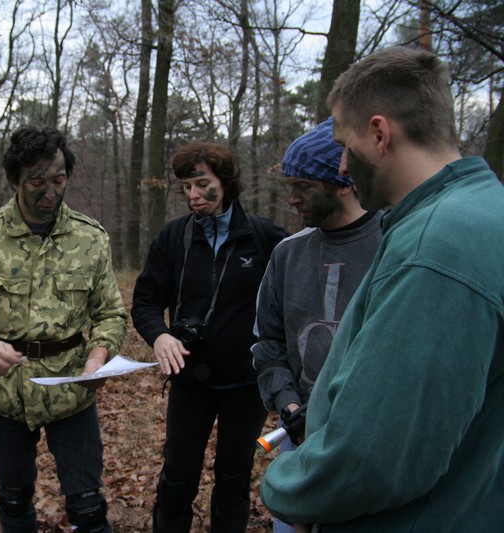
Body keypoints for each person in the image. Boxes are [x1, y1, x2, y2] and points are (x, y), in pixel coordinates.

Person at [260, 46, 504, 531]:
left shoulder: (437, 245)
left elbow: (374, 453)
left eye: (344, 144)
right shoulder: (483, 207)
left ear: (378, 133)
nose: (342, 167)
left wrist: (290, 488)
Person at [0, 125, 127, 532]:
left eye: (58, 179)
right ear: (14, 181)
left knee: (88, 507)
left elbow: (110, 313)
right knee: (14, 499)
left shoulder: (90, 238)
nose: (50, 192)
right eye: (37, 181)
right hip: (5, 395)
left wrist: (98, 358)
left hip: (72, 393)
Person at [131, 142, 288, 532]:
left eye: (202, 184)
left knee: (234, 478)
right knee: (177, 478)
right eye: (187, 187)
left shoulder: (265, 237)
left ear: (226, 182)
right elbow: (145, 302)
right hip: (190, 383)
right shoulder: (173, 237)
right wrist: (160, 336)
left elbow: (291, 306)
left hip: (246, 385)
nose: (193, 195)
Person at [251, 118, 382, 533]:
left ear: (342, 182)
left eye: (302, 187)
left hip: (372, 440)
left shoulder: (394, 243)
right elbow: (268, 342)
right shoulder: (287, 254)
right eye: (289, 186)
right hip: (299, 435)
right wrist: (289, 404)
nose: (291, 198)